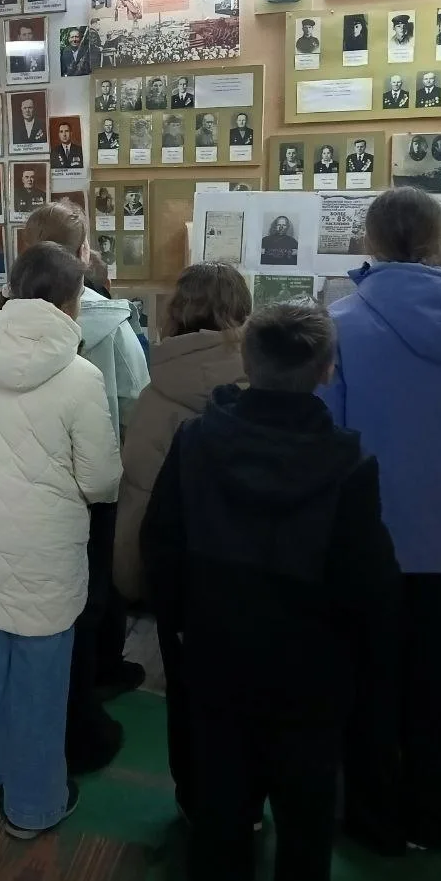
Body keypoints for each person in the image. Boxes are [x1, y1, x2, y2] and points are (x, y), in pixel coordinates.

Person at [142, 302, 398, 881]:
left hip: (216, 652)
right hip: (312, 669)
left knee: (221, 791)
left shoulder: (197, 442)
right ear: (327, 370)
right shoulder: (349, 463)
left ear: (246, 363)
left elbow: (161, 543)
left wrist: (180, 628)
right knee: (308, 804)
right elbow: (368, 581)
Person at [321, 189, 441, 854]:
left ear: (369, 240)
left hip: (366, 537)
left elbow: (331, 440)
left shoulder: (342, 324)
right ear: (437, 239)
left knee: (368, 682)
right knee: (439, 685)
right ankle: (429, 821)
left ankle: (373, 820)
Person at [0, 242, 122, 837]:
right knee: (41, 682)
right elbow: (101, 481)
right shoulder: (80, 378)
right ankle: (34, 804)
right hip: (46, 553)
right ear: (73, 301)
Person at [0, 203, 149, 771]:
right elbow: (134, 405)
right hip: (83, 488)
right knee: (85, 601)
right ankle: (76, 716)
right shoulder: (109, 328)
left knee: (13, 612)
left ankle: (10, 727)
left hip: (1, 486)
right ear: (83, 253)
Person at [114, 264, 251, 804]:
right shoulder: (266, 383)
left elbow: (138, 497)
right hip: (254, 574)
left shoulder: (157, 394)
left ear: (177, 311)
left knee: (188, 696)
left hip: (182, 581)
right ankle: (248, 805)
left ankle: (196, 803)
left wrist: (129, 578)